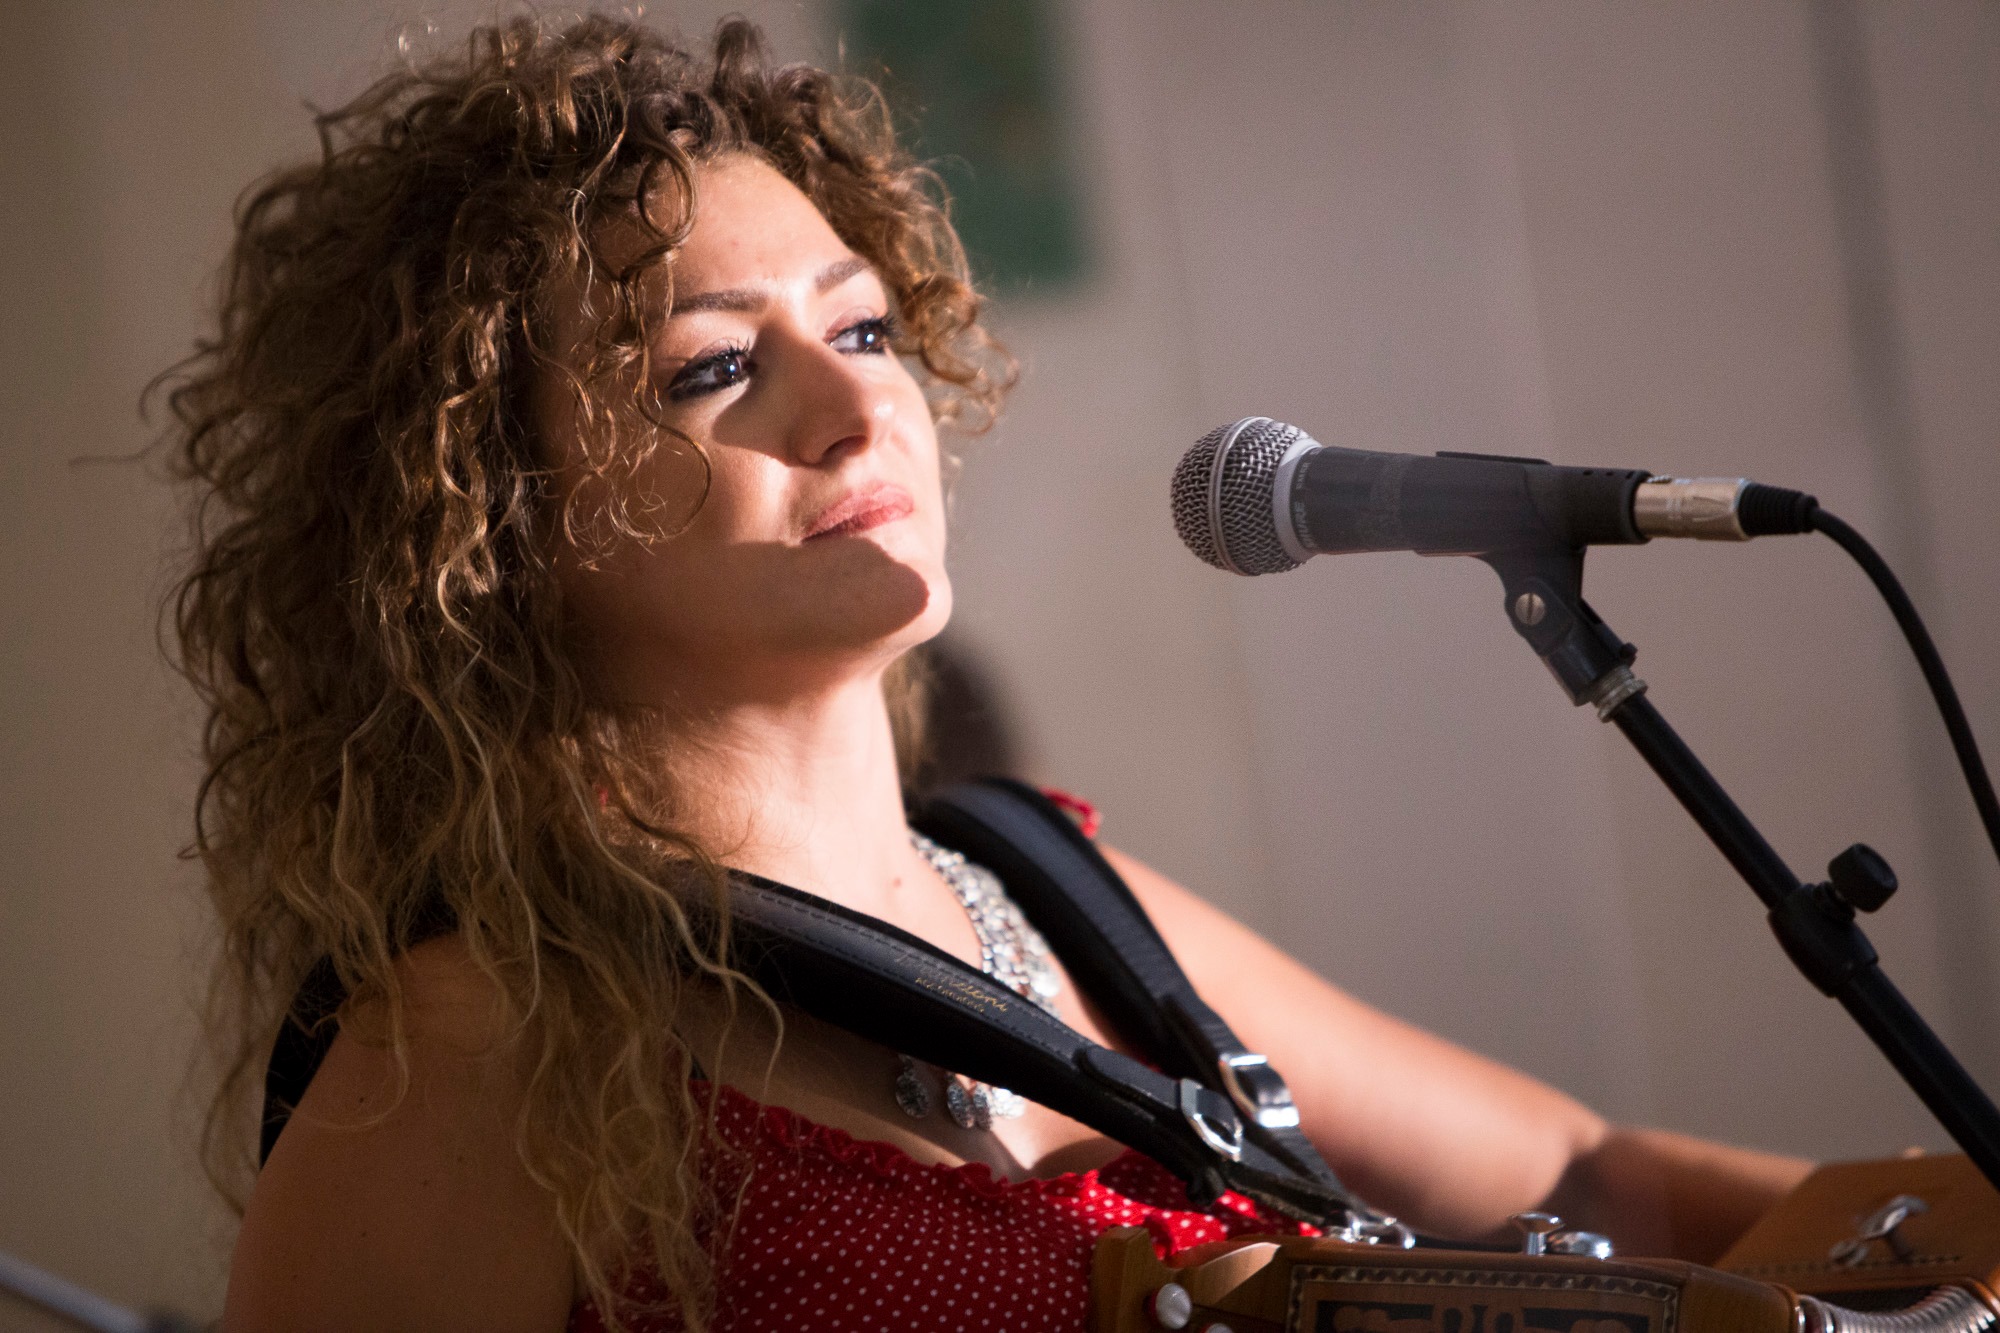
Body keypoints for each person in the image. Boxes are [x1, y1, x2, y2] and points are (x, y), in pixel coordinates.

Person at [165, 14, 1811, 1332]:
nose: (854, 408)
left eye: (862, 329)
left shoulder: (1062, 891)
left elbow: (1585, 1172)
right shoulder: (471, 1048)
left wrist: (1912, 1242)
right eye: (714, 366)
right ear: (493, 520)